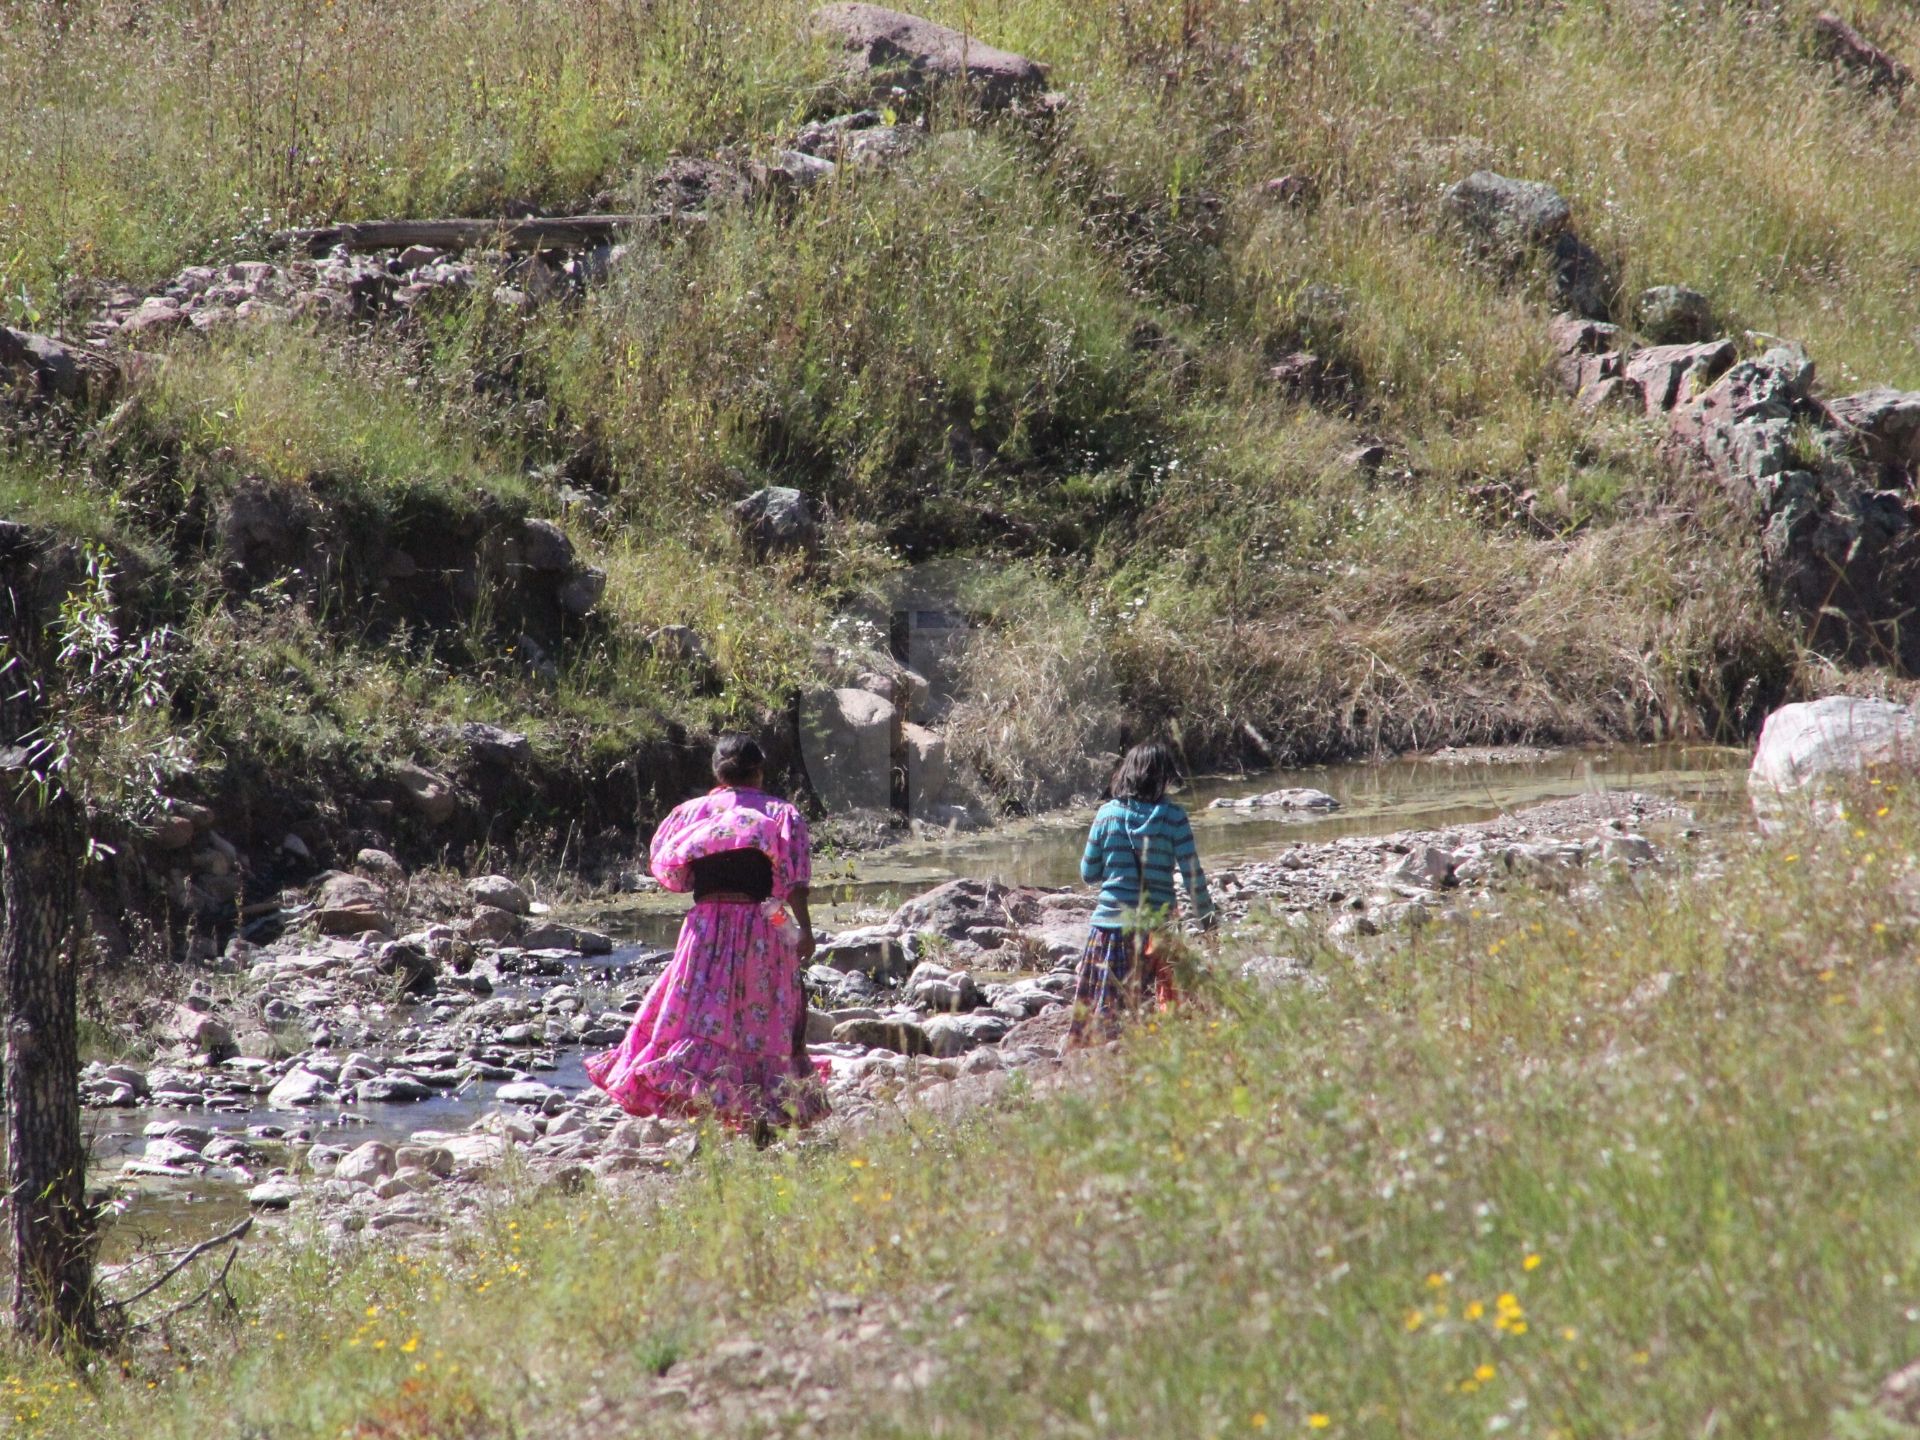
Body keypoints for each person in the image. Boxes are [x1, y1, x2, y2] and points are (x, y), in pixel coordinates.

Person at [586, 735, 828, 1137]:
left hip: (705, 926)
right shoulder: (780, 814)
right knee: (761, 1017)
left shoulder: (689, 814)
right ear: (759, 770)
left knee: (698, 1019)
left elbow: (672, 872)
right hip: (761, 925)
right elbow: (795, 882)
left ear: (717, 770)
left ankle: (708, 1118)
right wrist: (803, 931)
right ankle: (762, 1118)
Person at [1070, 740, 1217, 1045]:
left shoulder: (1107, 815)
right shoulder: (1174, 817)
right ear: (1164, 776)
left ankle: (1103, 1069)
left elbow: (1088, 873)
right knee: (1161, 1014)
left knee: (1105, 1019)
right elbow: (1193, 877)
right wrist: (1209, 921)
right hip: (1157, 931)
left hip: (1109, 932)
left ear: (1127, 774)